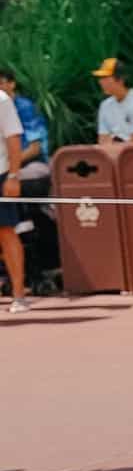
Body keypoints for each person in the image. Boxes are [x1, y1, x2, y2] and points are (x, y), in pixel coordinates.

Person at [0, 87, 28, 312]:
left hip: (0, 174)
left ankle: (19, 295)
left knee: (6, 231)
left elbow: (13, 139)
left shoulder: (2, 100)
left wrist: (13, 175)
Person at [92, 58, 133, 144]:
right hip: (113, 154)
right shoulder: (105, 105)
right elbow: (103, 139)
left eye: (105, 78)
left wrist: (113, 149)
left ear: (120, 80)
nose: (101, 82)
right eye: (100, 78)